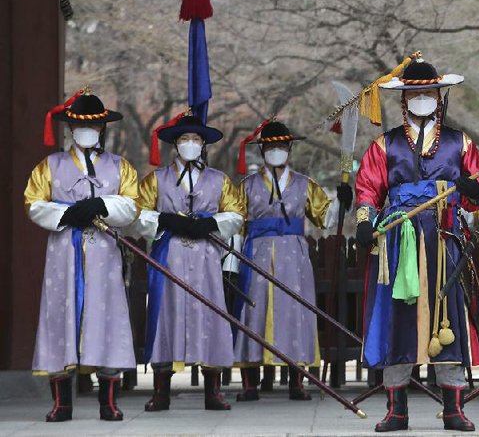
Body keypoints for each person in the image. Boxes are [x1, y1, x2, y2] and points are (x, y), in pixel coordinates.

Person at [354, 55, 479, 432]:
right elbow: (367, 189)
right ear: (404, 100)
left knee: (448, 319)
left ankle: (454, 409)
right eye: (415, 94)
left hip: (444, 239)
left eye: (429, 92)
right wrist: (365, 222)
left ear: (439, 96)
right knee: (399, 319)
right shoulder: (386, 145)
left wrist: (472, 189)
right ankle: (397, 409)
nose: (423, 99)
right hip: (400, 241)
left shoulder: (458, 142)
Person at [25, 89, 138, 422]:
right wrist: (64, 215)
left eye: (93, 125)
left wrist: (103, 204)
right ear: (69, 127)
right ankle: (62, 403)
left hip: (104, 252)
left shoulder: (121, 167)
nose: (86, 131)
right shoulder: (51, 165)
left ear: (103, 127)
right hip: (64, 250)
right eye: (78, 125)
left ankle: (109, 401)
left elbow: (132, 206)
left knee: (108, 317)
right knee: (60, 316)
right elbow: (33, 202)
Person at [232, 120, 353, 401]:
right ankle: (251, 382)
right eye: (270, 146)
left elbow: (325, 218)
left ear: (289, 149)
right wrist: (232, 261)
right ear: (262, 150)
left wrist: (342, 201)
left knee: (295, 312)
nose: (276, 150)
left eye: (281, 146)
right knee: (254, 312)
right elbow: (235, 225)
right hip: (256, 255)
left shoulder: (305, 184)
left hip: (294, 257)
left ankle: (297, 381)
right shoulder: (246, 186)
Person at [133, 112, 245, 411]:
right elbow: (138, 213)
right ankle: (160, 391)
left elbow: (235, 215)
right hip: (169, 255)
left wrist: (210, 224)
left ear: (203, 145)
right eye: (185, 139)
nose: (191, 144)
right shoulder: (156, 179)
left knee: (211, 315)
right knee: (166, 314)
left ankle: (213, 391)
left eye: (196, 140)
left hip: (207, 256)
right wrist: (164, 219)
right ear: (175, 144)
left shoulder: (219, 180)